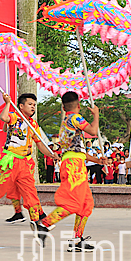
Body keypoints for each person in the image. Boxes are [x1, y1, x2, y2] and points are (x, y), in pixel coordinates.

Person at [0, 93, 58, 237]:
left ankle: (38, 223)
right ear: (21, 106)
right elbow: (3, 118)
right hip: (9, 161)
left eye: (34, 105)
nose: (33, 107)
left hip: (24, 163)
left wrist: (50, 154)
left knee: (30, 193)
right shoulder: (14, 117)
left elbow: (39, 144)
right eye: (30, 104)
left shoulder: (34, 124)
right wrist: (7, 103)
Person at [32, 91, 99, 251]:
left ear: (63, 106)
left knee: (86, 204)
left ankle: (76, 240)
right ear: (78, 106)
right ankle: (44, 225)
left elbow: (76, 150)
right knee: (73, 203)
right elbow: (93, 131)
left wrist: (97, 160)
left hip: (74, 163)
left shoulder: (65, 124)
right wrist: (96, 115)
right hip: (74, 166)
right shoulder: (75, 118)